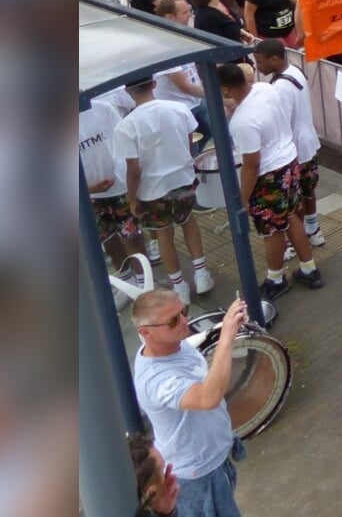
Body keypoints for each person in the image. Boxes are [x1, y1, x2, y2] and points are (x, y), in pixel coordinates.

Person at [131, 292, 250, 517]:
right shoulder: (156, 380)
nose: (184, 321)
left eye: (183, 311)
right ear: (145, 332)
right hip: (196, 477)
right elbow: (208, 397)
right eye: (173, 320)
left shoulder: (171, 343)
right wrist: (226, 337)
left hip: (213, 461)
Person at [217, 62, 320, 296]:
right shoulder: (265, 89)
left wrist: (242, 198)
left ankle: (275, 279)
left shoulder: (242, 123)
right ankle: (308, 268)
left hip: (269, 175)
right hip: (290, 161)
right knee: (291, 215)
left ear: (225, 91)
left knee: (271, 230)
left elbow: (251, 164)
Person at [113, 77, 210, 306]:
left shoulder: (126, 126)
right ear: (153, 84)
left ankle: (179, 286)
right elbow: (189, 143)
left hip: (152, 188)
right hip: (182, 178)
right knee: (188, 221)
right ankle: (201, 273)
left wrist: (131, 197)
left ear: (128, 91)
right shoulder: (178, 109)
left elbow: (133, 169)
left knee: (164, 234)